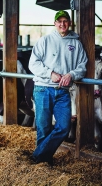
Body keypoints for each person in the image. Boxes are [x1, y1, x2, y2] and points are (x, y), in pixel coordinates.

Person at [28, 10, 88, 166]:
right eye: (59, 21)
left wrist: (72, 74)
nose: (62, 24)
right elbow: (33, 64)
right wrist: (50, 73)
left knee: (64, 126)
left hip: (63, 91)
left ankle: (37, 156)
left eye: (65, 21)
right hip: (43, 89)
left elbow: (82, 66)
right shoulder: (45, 41)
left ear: (69, 23)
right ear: (55, 23)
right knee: (44, 127)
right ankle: (44, 162)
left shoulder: (76, 43)